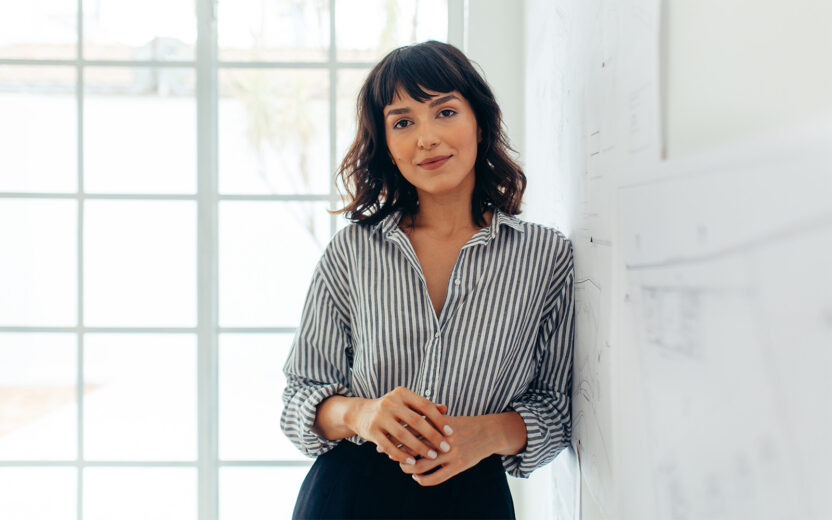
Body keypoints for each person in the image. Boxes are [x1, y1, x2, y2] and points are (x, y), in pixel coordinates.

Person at [280, 40, 575, 519]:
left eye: (444, 112)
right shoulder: (352, 252)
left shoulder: (546, 257)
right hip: (347, 496)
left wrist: (490, 432)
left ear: (479, 120)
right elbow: (299, 400)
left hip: (472, 498)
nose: (427, 138)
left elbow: (556, 411)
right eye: (402, 122)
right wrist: (362, 413)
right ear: (387, 144)